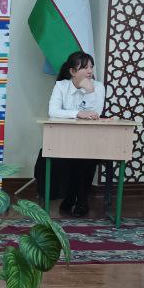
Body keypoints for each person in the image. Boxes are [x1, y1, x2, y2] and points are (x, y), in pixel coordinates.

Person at [47, 50, 105, 217]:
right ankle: (72, 196)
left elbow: (95, 113)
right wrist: (78, 113)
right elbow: (53, 111)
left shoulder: (98, 87)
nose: (89, 71)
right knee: (70, 159)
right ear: (72, 71)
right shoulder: (61, 86)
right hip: (65, 138)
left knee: (86, 158)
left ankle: (81, 201)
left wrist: (90, 91)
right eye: (85, 68)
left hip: (90, 138)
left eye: (91, 67)